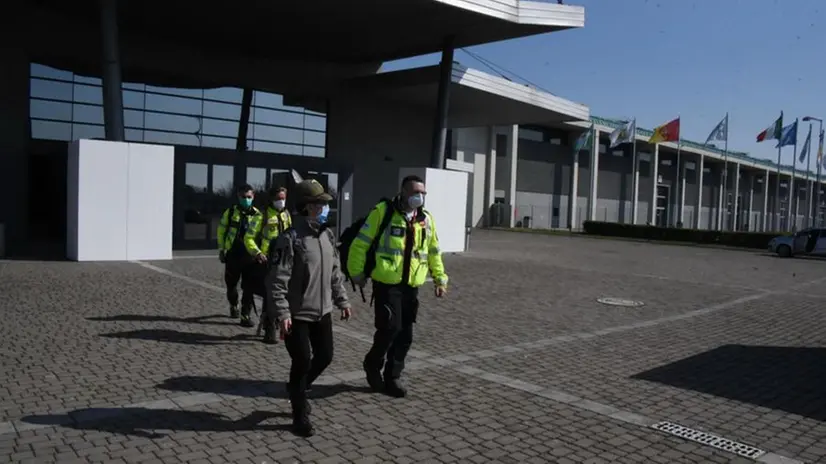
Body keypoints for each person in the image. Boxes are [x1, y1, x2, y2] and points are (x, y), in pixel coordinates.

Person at [348, 175, 448, 398]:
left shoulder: (426, 219)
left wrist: (440, 279)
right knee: (389, 329)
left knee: (405, 334)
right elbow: (360, 243)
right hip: (386, 283)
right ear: (403, 192)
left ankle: (393, 376)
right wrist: (356, 273)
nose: (419, 197)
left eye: (422, 193)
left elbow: (433, 251)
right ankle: (372, 365)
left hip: (411, 285)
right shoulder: (383, 212)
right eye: (414, 192)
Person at [266, 178, 352, 437]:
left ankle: (297, 389)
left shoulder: (326, 235)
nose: (324, 208)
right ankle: (299, 412)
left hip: (323, 311)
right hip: (297, 315)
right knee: (302, 360)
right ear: (305, 207)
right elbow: (277, 281)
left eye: (324, 204)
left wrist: (342, 300)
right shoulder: (289, 239)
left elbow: (334, 273)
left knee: (325, 357)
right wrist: (282, 314)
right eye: (318, 204)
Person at [244, 186, 293, 344]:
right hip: (268, 262)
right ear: (272, 199)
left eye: (283, 198)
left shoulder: (286, 214)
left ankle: (280, 322)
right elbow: (248, 238)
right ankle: (269, 328)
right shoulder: (261, 216)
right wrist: (258, 253)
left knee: (284, 293)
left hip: (285, 260)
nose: (281, 201)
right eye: (278, 198)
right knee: (269, 296)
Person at [217, 184, 262, 327]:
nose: (246, 200)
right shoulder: (230, 213)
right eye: (244, 197)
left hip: (250, 256)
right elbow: (221, 231)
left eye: (249, 197)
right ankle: (234, 305)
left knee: (249, 287)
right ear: (238, 196)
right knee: (231, 285)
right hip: (233, 254)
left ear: (253, 197)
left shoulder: (258, 215)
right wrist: (222, 249)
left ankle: (245, 315)